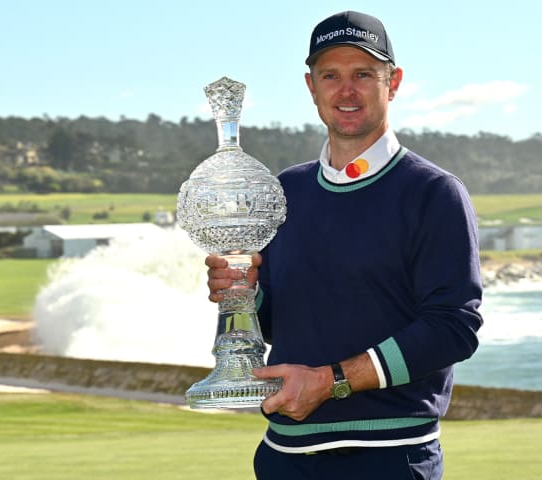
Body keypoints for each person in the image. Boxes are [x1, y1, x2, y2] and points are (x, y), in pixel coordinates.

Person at [205, 10, 483, 480]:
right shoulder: (283, 191)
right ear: (311, 87)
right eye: (330, 75)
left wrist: (329, 382)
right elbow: (276, 324)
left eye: (363, 75)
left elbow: (453, 328)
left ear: (392, 83)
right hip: (283, 457)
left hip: (388, 457)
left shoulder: (433, 192)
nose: (346, 90)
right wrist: (243, 295)